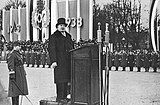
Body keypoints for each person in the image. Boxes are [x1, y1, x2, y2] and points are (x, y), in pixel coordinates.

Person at [48, 18, 74, 103]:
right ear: (57, 26)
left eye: (64, 25)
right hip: (59, 62)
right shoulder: (54, 36)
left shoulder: (68, 36)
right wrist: (53, 61)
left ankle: (65, 97)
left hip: (68, 62)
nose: (62, 27)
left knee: (67, 80)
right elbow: (51, 49)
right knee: (60, 80)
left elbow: (72, 48)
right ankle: (60, 98)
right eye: (61, 25)